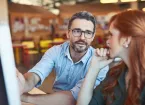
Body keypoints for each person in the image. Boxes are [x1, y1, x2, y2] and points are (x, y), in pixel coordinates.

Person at [17, 11, 109, 105]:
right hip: (53, 101)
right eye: (77, 31)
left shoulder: (99, 62)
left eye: (88, 33)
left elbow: (72, 99)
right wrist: (22, 84)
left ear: (93, 36)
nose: (82, 37)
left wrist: (25, 97)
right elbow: (35, 75)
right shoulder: (55, 51)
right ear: (68, 33)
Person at [77, 10, 145, 105]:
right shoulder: (115, 74)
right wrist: (94, 68)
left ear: (126, 40)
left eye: (111, 35)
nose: (107, 42)